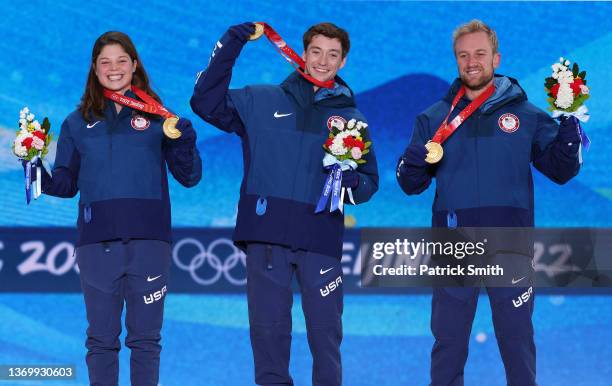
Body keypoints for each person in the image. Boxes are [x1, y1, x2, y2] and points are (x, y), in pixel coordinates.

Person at [191, 22, 378, 386]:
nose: (323, 61)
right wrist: (232, 42)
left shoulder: (352, 121)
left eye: (333, 55)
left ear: (343, 61)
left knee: (325, 336)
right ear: (302, 54)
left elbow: (369, 184)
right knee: (269, 334)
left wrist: (350, 180)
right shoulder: (260, 100)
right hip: (267, 236)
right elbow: (204, 101)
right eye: (317, 52)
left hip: (320, 239)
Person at [396, 20, 581, 386]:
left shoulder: (527, 116)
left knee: (516, 342)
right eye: (463, 55)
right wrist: (416, 159)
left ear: (496, 58)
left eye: (480, 53)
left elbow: (561, 171)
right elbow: (409, 183)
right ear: (456, 61)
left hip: (509, 244)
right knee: (448, 343)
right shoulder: (434, 118)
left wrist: (570, 133)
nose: (472, 62)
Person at [24, 31, 202, 386]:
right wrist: (32, 164)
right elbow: (65, 183)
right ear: (94, 68)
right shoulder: (77, 123)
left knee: (145, 341)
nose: (114, 68)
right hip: (97, 246)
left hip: (149, 245)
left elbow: (190, 177)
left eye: (122, 60)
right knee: (102, 341)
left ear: (135, 65)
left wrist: (184, 139)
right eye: (105, 61)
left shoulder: (159, 119)